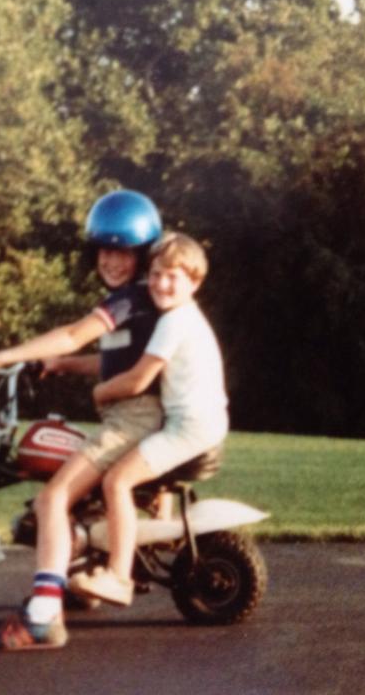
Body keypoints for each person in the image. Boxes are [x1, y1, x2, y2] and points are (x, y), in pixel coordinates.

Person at [0, 190, 164, 651]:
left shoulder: (129, 300)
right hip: (133, 415)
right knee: (69, 488)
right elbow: (110, 362)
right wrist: (61, 366)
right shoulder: (134, 301)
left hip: (132, 419)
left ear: (142, 255)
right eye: (105, 250)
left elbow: (77, 334)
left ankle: (44, 615)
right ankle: (76, 575)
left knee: (52, 497)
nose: (113, 261)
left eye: (124, 252)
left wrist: (2, 356)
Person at [69, 232, 228, 607]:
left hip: (189, 427)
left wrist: (100, 393)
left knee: (116, 481)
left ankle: (119, 577)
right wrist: (63, 365)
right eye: (156, 274)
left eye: (174, 276)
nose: (161, 284)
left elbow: (139, 378)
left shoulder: (174, 321)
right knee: (129, 468)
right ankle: (137, 541)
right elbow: (112, 361)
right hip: (198, 421)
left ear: (195, 282)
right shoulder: (181, 316)